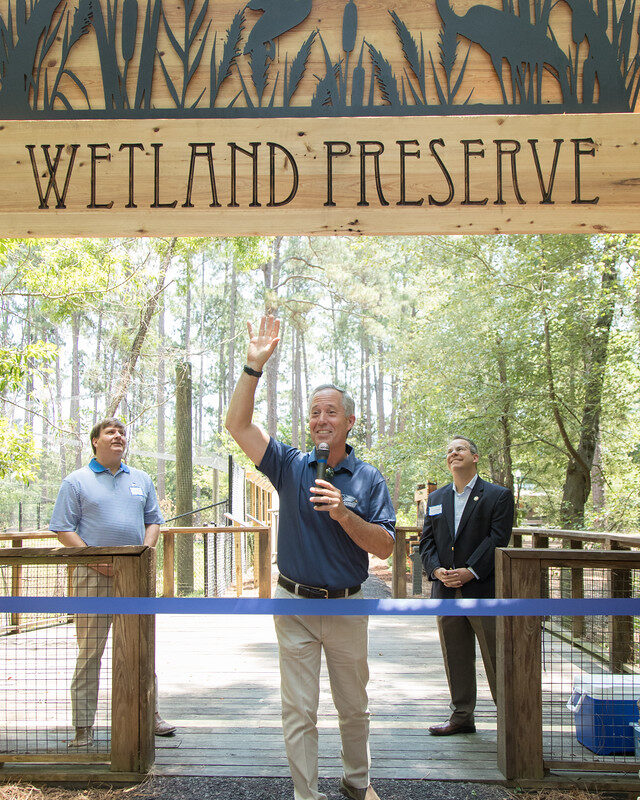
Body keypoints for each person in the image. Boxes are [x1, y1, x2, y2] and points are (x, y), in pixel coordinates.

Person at [225, 315, 395, 800]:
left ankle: (357, 784)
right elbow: (237, 424)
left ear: (349, 421)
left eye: (331, 413)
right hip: (293, 605)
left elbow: (384, 546)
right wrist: (253, 367)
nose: (321, 420)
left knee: (353, 707)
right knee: (298, 709)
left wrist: (345, 516)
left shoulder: (369, 479)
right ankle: (306, 793)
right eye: (315, 412)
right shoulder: (290, 464)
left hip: (347, 605)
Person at [49, 418, 176, 747]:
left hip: (133, 578)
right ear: (95, 441)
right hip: (92, 577)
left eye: (122, 432)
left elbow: (153, 522)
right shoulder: (76, 482)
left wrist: (142, 557)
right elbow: (64, 529)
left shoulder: (141, 479)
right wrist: (95, 560)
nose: (118, 435)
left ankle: (151, 716)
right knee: (90, 651)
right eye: (110, 432)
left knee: (140, 648)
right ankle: (83, 728)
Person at [419, 436, 514, 736]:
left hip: (482, 589)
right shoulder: (436, 499)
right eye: (448, 451)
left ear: (475, 457)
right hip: (445, 590)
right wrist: (436, 570)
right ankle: (462, 716)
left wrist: (470, 571)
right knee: (455, 654)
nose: (453, 454)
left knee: (495, 654)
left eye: (459, 449)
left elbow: (498, 539)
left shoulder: (498, 496)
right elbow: (427, 542)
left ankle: (509, 718)